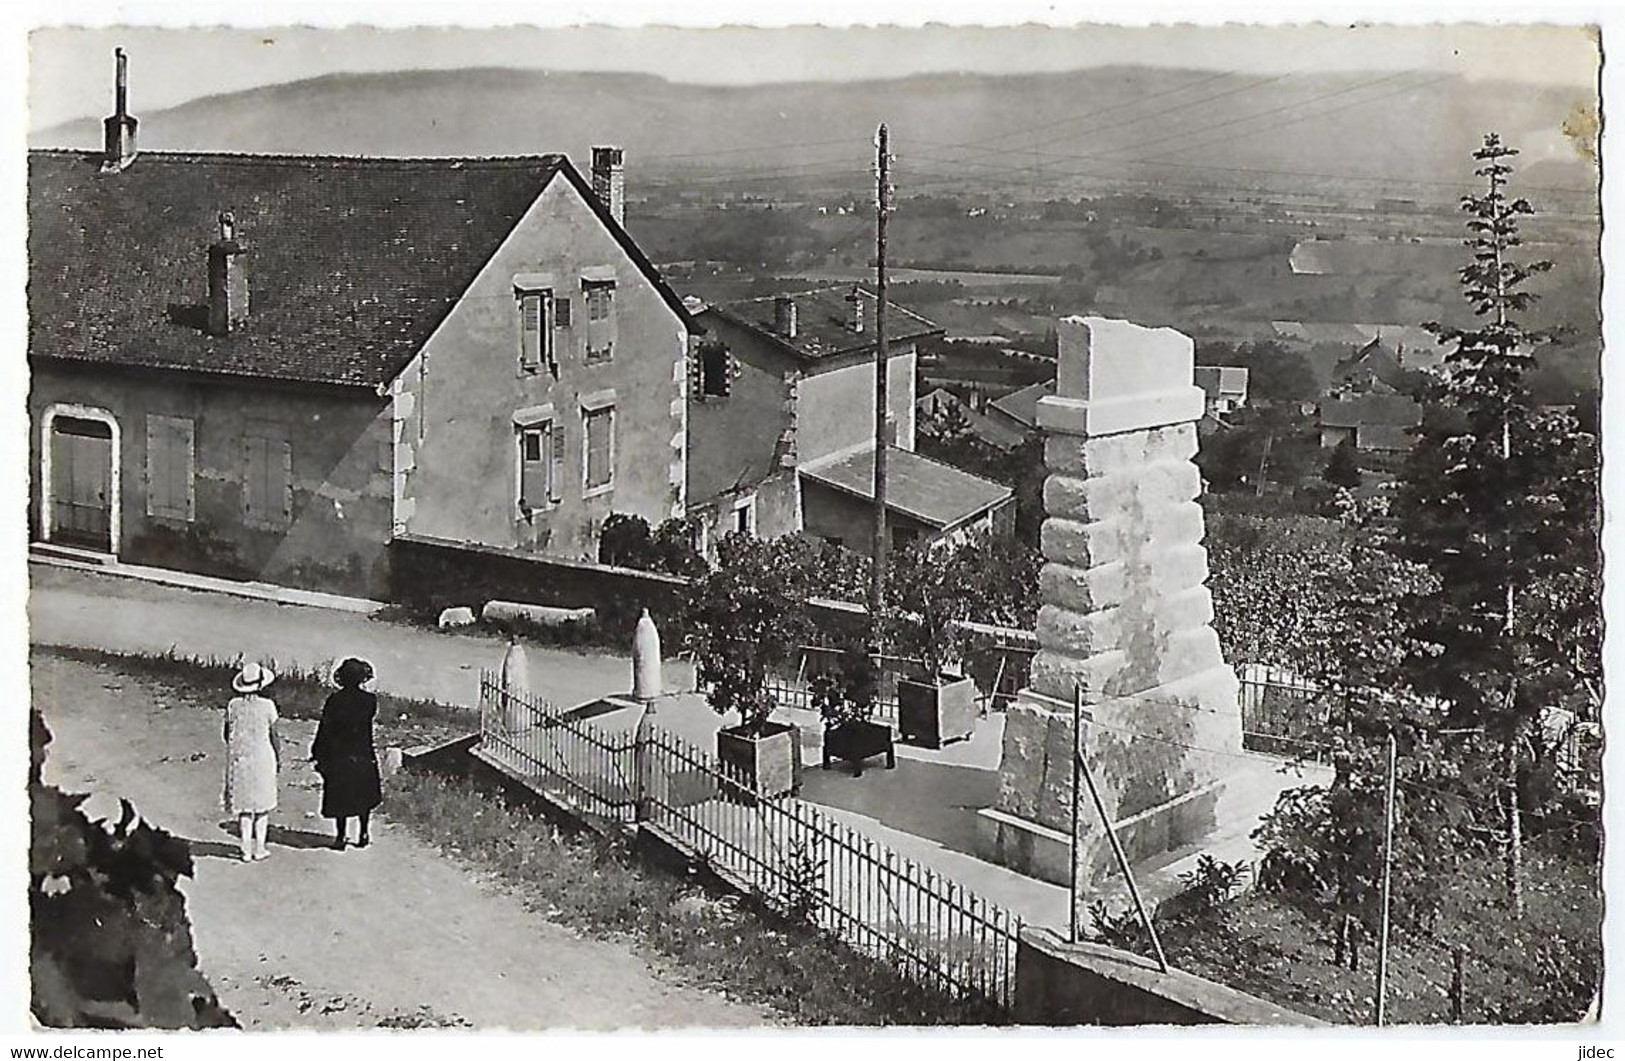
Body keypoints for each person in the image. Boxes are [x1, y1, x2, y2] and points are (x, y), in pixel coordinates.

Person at [312, 657, 383, 850]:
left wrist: (318, 752)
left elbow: (325, 729)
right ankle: (363, 833)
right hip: (362, 752)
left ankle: (341, 836)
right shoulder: (369, 701)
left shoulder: (334, 700)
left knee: (339, 794)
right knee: (364, 795)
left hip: (339, 753)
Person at [222, 661, 280, 863]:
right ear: (262, 685)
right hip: (263, 756)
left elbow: (226, 733)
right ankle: (260, 848)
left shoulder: (233, 705)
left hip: (241, 756)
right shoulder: (268, 706)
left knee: (244, 807)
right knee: (262, 806)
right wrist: (278, 757)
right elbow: (274, 735)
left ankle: (245, 849)